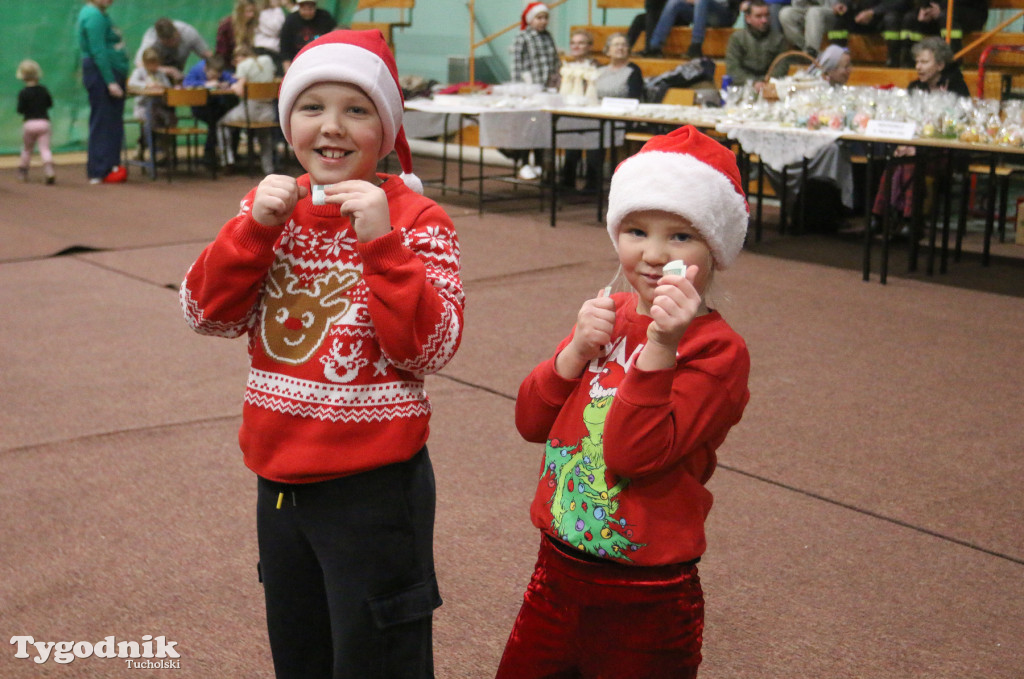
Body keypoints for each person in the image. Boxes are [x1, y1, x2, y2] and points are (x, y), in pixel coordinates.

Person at [180, 28, 463, 679]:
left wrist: (382, 247)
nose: (332, 127)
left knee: (377, 654)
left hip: (374, 486)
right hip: (279, 480)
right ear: (289, 123)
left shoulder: (418, 219)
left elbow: (431, 347)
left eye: (356, 109)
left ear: (387, 127)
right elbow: (206, 314)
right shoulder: (267, 207)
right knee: (300, 645)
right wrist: (251, 232)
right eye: (313, 107)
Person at [495, 125, 751, 679]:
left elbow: (633, 455)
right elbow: (529, 420)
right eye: (637, 230)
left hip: (648, 594)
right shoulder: (607, 314)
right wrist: (572, 355)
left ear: (716, 248)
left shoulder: (716, 351)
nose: (655, 254)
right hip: (556, 570)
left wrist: (661, 345)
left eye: (681, 236)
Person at [871, 37, 969, 234]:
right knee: (895, 160)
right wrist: (902, 144)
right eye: (917, 62)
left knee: (910, 162)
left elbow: (955, 129)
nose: (919, 67)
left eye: (924, 62)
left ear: (940, 64)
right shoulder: (914, 88)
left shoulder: (956, 88)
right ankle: (880, 215)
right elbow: (906, 120)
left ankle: (909, 219)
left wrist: (919, 147)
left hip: (945, 152)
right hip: (915, 147)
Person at [764, 45, 856, 229]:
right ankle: (812, 209)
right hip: (798, 142)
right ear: (829, 70)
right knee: (833, 151)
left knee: (836, 150)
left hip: (821, 140)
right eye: (845, 67)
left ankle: (827, 210)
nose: (849, 71)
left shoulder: (840, 90)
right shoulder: (811, 87)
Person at [76, 0, 128, 184]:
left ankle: (111, 165)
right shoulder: (93, 16)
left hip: (112, 73)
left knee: (113, 121)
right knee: (102, 120)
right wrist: (110, 81)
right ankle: (98, 169)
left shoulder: (101, 14)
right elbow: (98, 50)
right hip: (102, 75)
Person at [511, 2, 560, 181]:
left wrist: (555, 80)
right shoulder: (522, 37)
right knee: (527, 127)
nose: (543, 21)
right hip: (529, 89)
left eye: (545, 18)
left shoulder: (548, 37)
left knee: (541, 126)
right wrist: (521, 87)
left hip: (546, 89)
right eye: (539, 18)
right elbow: (517, 64)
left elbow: (554, 61)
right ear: (531, 19)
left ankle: (539, 162)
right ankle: (524, 161)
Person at [217, 44, 278, 174]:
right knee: (264, 135)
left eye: (236, 60)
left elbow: (239, 91)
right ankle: (268, 168)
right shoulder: (267, 60)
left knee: (221, 124)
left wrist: (233, 86)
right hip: (269, 112)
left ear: (240, 57)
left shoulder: (243, 65)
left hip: (251, 110)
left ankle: (227, 161)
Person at [183, 54, 239, 168]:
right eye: (212, 75)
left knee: (228, 123)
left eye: (217, 76)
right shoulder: (196, 70)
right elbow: (186, 84)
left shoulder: (221, 71)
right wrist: (204, 84)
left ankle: (229, 156)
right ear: (205, 69)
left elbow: (233, 80)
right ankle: (210, 157)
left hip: (217, 106)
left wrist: (226, 84)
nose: (215, 78)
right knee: (215, 124)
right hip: (200, 107)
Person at [560, 29, 598, 191]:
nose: (576, 46)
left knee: (593, 141)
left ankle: (592, 183)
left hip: (591, 112)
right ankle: (567, 180)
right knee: (570, 140)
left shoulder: (596, 67)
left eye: (581, 43)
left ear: (589, 46)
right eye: (573, 43)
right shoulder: (564, 67)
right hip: (569, 112)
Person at [895, 0, 987, 66]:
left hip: (971, 12)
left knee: (947, 17)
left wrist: (941, 9)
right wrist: (924, 8)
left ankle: (952, 65)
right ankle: (909, 65)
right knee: (910, 19)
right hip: (941, 11)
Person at [821, 0, 910, 66]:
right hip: (859, 17)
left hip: (881, 18)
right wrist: (843, 5)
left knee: (891, 19)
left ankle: (893, 62)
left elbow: (902, 2)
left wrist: (873, 12)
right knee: (840, 20)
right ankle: (838, 60)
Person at [726, 0, 789, 92]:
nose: (764, 20)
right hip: (743, 87)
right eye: (758, 16)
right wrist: (753, 83)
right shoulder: (737, 39)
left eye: (767, 15)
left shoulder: (779, 39)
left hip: (770, 87)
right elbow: (733, 69)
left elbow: (781, 67)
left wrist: (765, 82)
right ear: (748, 18)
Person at [127, 47, 176, 163]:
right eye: (150, 64)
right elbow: (131, 84)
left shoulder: (160, 74)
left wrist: (161, 85)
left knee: (170, 119)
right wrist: (146, 85)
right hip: (143, 107)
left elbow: (168, 86)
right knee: (151, 120)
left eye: (155, 63)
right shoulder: (139, 72)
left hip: (160, 107)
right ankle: (155, 149)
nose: (153, 67)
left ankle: (162, 147)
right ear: (145, 63)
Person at [647, 0, 742, 58]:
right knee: (675, 2)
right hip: (701, 11)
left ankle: (696, 45)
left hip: (724, 15)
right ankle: (655, 46)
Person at [135, 17, 213, 85]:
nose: (172, 44)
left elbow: (208, 55)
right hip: (156, 79)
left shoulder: (188, 32)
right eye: (167, 43)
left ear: (177, 32)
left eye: (174, 40)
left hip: (178, 77)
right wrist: (169, 71)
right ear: (160, 39)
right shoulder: (151, 39)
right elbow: (140, 64)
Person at [15, 59, 56, 185]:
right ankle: (49, 169)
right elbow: (50, 104)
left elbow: (20, 110)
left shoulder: (23, 93)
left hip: (29, 124)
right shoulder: (43, 90)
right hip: (44, 122)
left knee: (27, 149)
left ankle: (23, 171)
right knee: (45, 149)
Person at [280, 0, 337, 70]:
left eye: (310, 9)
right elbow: (285, 48)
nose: (307, 12)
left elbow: (334, 39)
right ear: (299, 7)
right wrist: (287, 69)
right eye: (304, 9)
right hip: (297, 62)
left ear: (315, 7)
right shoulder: (291, 20)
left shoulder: (325, 17)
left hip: (322, 61)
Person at [216, 0, 259, 66]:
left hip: (245, 62)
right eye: (248, 12)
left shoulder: (250, 26)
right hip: (227, 64)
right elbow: (221, 52)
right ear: (240, 12)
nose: (252, 15)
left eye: (253, 12)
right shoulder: (227, 25)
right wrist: (234, 61)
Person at [255, 0, 289, 74]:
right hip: (264, 50)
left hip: (277, 51)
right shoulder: (262, 12)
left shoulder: (281, 10)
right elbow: (276, 28)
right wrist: (277, 7)